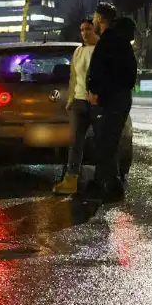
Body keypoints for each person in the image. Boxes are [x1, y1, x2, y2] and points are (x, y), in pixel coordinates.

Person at [83, 2, 138, 202]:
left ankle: (109, 188)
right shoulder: (120, 40)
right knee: (108, 143)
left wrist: (96, 90)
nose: (94, 21)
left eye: (95, 17)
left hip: (112, 99)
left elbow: (101, 69)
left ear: (100, 19)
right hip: (119, 98)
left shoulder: (110, 40)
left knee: (106, 143)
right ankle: (105, 185)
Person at [54, 19, 100, 195]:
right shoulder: (78, 51)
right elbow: (73, 77)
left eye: (88, 29)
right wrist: (71, 99)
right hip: (79, 102)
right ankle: (71, 179)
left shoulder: (101, 50)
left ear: (95, 30)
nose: (84, 32)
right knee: (75, 143)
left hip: (96, 102)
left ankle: (101, 179)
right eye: (81, 29)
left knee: (101, 142)